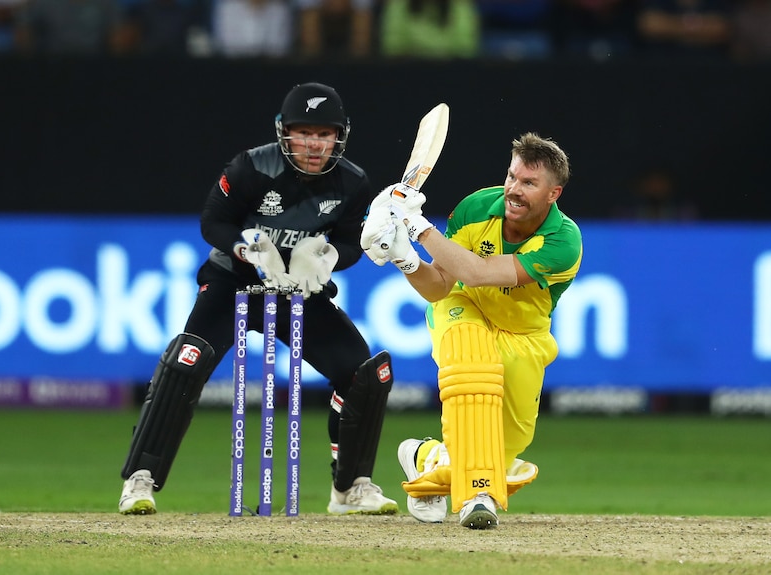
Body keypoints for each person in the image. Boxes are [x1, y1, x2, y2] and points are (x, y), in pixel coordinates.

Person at [118, 82, 399, 517]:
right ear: (284, 133)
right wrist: (246, 247)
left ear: (339, 136)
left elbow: (350, 243)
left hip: (294, 289)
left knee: (363, 372)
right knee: (186, 361)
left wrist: (326, 258)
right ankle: (141, 479)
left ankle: (351, 488)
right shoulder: (251, 167)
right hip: (233, 282)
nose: (314, 144)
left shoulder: (353, 182)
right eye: (304, 133)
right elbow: (213, 221)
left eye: (324, 135)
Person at [360, 132, 582, 529]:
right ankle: (477, 496)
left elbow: (479, 273)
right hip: (464, 307)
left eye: (529, 183)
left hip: (524, 335)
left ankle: (426, 459)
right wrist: (404, 259)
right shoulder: (477, 208)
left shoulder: (563, 242)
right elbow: (440, 287)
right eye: (512, 176)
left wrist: (415, 225)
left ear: (554, 193)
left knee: (506, 452)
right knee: (473, 366)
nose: (514, 189)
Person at [380, 0, 480, 60]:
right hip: (407, 76)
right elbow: (393, 49)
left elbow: (465, 50)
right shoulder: (398, 6)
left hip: (450, 78)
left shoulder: (460, 6)